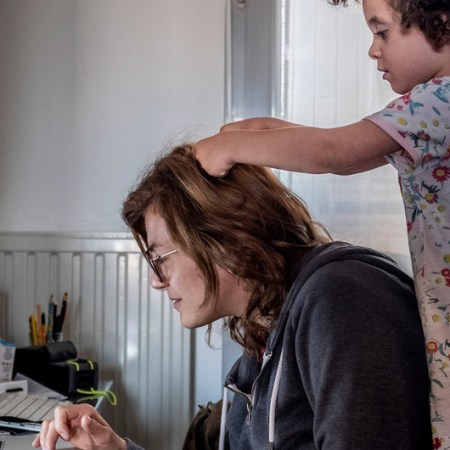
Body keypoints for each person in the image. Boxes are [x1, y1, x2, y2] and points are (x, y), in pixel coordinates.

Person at [33, 145, 432, 450]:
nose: (156, 281)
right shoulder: (267, 324)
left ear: (222, 238)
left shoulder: (342, 300)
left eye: (160, 258)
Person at [193, 0, 450, 444]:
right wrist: (262, 130)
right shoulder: (431, 113)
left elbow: (334, 153)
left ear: (442, 23)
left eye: (382, 32)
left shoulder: (437, 102)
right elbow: (347, 159)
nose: (373, 49)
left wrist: (230, 149)